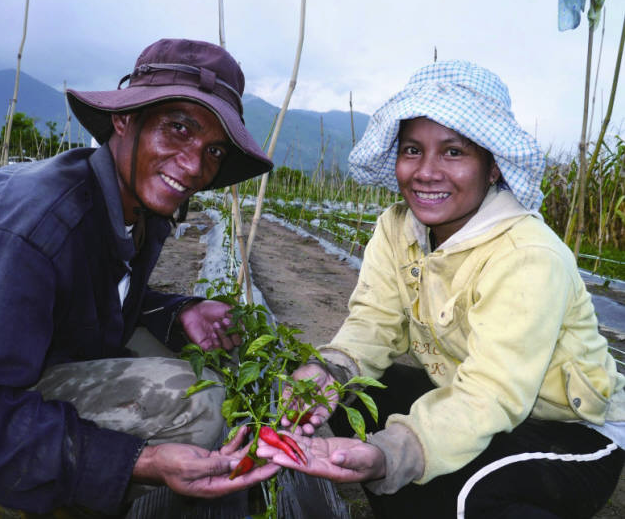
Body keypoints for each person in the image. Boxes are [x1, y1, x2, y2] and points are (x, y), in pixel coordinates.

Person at [0, 38, 280, 517]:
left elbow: (91, 300)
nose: (195, 166)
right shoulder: (29, 226)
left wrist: (179, 313)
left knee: (197, 363)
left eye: (213, 149)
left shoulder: (136, 209)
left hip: (23, 378)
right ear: (124, 119)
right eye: (177, 129)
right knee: (195, 402)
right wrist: (138, 461)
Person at [259, 60, 625, 518]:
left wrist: (393, 452)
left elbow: (492, 392)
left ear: (492, 168)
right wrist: (328, 372)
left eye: (453, 153)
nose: (426, 172)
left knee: (468, 494)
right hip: (471, 404)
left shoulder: (527, 254)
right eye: (412, 150)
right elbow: (372, 324)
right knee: (344, 395)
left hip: (568, 431)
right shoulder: (395, 230)